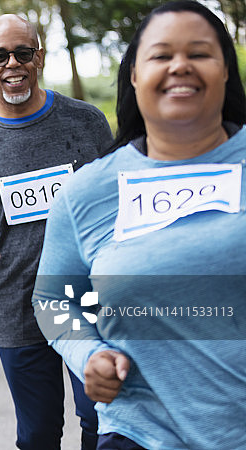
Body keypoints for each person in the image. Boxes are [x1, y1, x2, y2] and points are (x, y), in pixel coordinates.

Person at [32, 2, 246, 448]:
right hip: (139, 432)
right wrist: (87, 353)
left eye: (200, 53)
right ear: (133, 74)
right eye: (162, 55)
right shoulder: (86, 193)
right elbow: (52, 299)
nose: (180, 66)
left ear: (226, 71)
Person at [0, 14, 113, 450]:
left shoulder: (86, 123)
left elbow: (119, 201)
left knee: (103, 422)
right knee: (37, 435)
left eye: (23, 53)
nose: (12, 64)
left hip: (86, 301)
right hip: (19, 306)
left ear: (40, 56)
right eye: (0, 55)